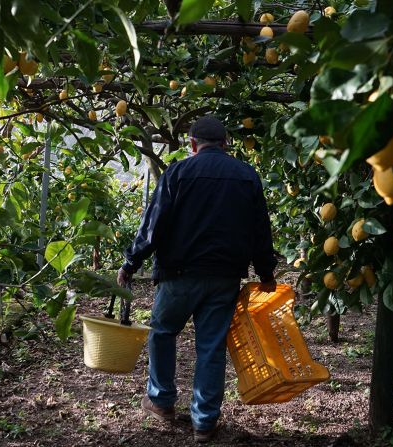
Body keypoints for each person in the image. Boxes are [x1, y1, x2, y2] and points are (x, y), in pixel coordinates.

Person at [116, 115, 278, 443]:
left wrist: (130, 263)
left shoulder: (178, 173)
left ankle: (161, 402)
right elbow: (261, 230)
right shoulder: (247, 177)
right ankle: (204, 422)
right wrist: (266, 273)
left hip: (178, 277)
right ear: (226, 143)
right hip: (224, 278)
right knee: (211, 347)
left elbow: (153, 225)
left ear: (192, 144)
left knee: (162, 333)